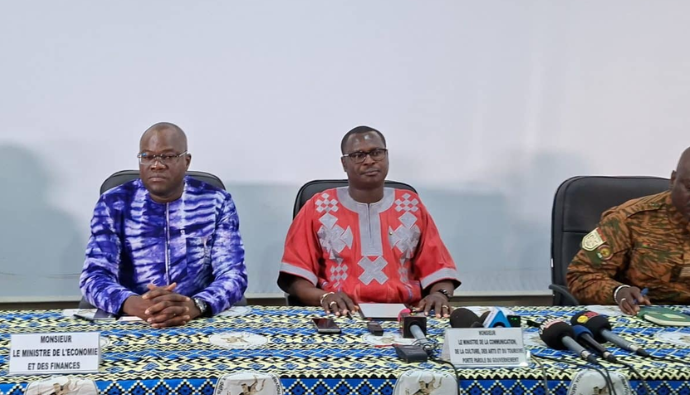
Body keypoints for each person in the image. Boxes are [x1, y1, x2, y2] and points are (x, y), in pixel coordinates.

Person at [278, 126, 459, 317]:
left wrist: (440, 295)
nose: (369, 161)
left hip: (405, 314)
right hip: (340, 313)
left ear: (386, 156)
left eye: (376, 153)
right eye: (358, 155)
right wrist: (324, 297)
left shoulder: (410, 205)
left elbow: (439, 269)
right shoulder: (319, 206)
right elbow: (296, 279)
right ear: (344, 164)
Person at [80, 122, 247, 328]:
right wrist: (134, 304)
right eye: (147, 156)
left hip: (197, 317)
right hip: (132, 318)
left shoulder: (216, 202)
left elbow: (233, 275)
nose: (156, 165)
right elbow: (94, 276)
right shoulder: (113, 203)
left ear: (186, 161)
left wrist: (196, 305)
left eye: (168, 156)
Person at [566, 143, 690, 315]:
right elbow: (580, 275)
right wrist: (617, 292)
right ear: (673, 180)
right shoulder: (627, 220)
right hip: (633, 318)